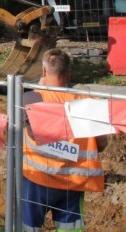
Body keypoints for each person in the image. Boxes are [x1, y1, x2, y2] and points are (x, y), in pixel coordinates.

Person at [22, 49, 107, 232]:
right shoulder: (87, 103)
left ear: (43, 72)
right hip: (73, 184)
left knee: (26, 228)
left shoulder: (31, 99)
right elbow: (101, 144)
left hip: (36, 181)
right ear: (69, 73)